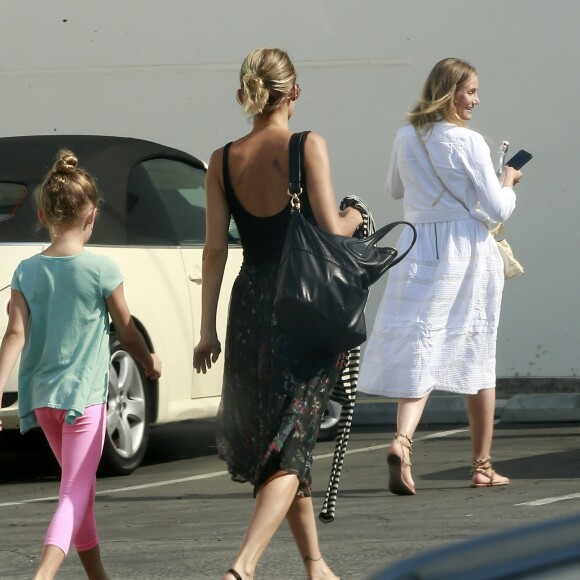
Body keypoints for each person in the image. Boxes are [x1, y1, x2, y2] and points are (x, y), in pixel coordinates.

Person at [193, 47, 362, 580]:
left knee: (285, 438)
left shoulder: (221, 160)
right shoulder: (306, 145)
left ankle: (315, 564)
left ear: (246, 95)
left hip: (249, 307)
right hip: (302, 310)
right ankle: (242, 567)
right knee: (292, 443)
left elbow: (215, 252)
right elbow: (331, 230)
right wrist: (354, 216)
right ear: (294, 92)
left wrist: (206, 330)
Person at [358, 58, 522, 495]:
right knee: (477, 348)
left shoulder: (405, 134)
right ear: (450, 92)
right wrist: (506, 179)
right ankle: (482, 465)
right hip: (466, 249)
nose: (476, 100)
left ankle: (402, 439)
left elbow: (395, 188)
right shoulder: (468, 142)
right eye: (470, 91)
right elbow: (498, 208)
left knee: (421, 343)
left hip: (418, 244)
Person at [0, 150, 162, 579]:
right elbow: (127, 331)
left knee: (81, 492)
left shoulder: (26, 271)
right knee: (73, 492)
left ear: (41, 214)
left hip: (43, 401)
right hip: (84, 399)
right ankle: (43, 575)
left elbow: (14, 335)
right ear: (92, 215)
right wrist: (148, 360)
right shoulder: (101, 269)